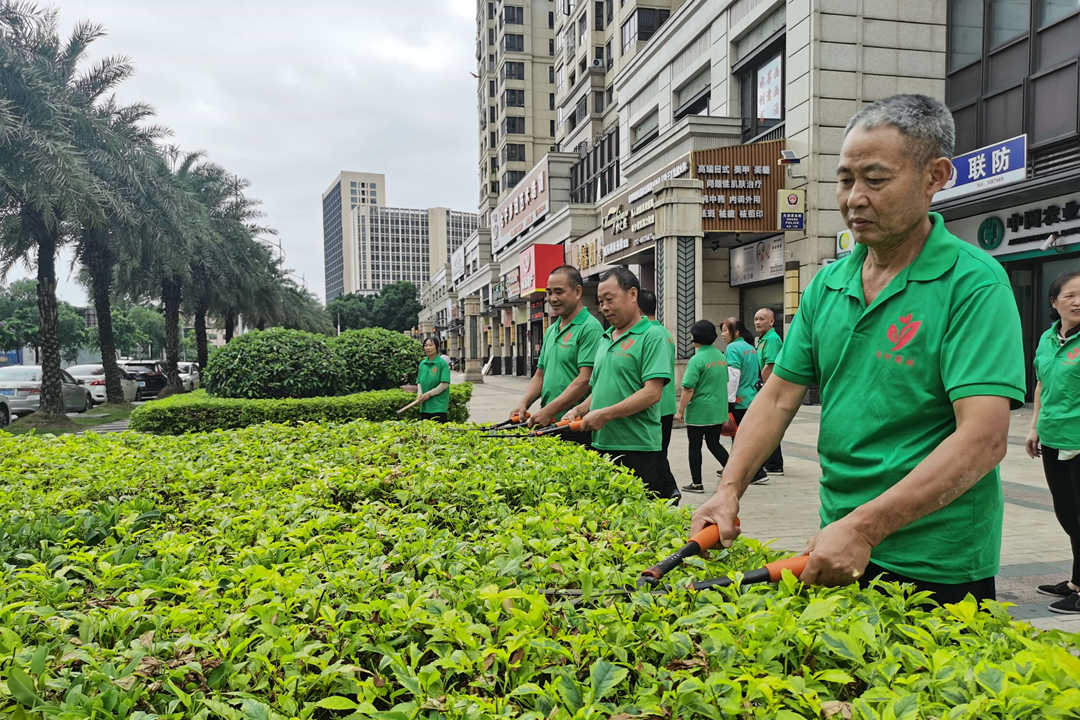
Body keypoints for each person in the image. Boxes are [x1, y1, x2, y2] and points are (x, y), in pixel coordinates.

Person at [691, 94, 1025, 605]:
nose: (854, 198)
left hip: (936, 559)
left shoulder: (974, 284)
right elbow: (779, 396)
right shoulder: (828, 285)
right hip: (836, 541)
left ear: (935, 176)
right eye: (846, 179)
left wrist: (866, 528)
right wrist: (730, 487)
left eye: (876, 179)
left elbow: (983, 439)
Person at [566, 267, 677, 500]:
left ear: (633, 294)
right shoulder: (606, 338)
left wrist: (605, 414)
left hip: (638, 449)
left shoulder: (653, 336)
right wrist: (580, 409)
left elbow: (652, 393)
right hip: (602, 444)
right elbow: (599, 389)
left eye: (610, 299)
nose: (604, 307)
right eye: (600, 301)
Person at [1026, 270, 1080, 615]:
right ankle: (1076, 580)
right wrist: (1033, 428)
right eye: (1071, 295)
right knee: (1068, 515)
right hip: (1053, 438)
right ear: (1054, 302)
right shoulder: (1048, 339)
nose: (1078, 302)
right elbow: (1042, 385)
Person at [512, 265, 603, 445]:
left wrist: (550, 410)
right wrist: (524, 404)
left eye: (559, 292)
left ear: (577, 292)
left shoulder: (590, 328)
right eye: (549, 293)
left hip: (574, 424)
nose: (552, 298)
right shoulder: (552, 330)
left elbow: (585, 379)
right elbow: (540, 375)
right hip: (549, 421)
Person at [675, 320, 730, 494]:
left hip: (700, 412)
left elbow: (688, 388)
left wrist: (680, 411)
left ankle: (697, 483)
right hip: (718, 410)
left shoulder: (697, 359)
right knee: (714, 444)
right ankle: (732, 472)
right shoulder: (721, 357)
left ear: (695, 337)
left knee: (695, 446)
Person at [637, 289, 679, 498]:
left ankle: (668, 489)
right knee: (659, 451)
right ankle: (669, 488)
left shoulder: (648, 334)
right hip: (667, 402)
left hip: (655, 404)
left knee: (655, 453)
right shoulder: (664, 332)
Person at [721, 318, 769, 485]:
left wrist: (729, 401)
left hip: (739, 400)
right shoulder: (750, 348)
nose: (722, 334)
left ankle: (755, 473)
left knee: (740, 438)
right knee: (746, 436)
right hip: (752, 398)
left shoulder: (732, 348)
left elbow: (733, 375)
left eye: (726, 330)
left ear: (737, 332)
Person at [754, 307, 785, 475]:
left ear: (772, 321)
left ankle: (774, 464)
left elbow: (770, 365)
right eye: (756, 319)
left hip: (768, 387)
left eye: (762, 319)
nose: (757, 322)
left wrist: (760, 386)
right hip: (765, 387)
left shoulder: (772, 339)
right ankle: (770, 461)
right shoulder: (764, 339)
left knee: (769, 426)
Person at [416, 337, 452, 422]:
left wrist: (429, 394)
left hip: (438, 407)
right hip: (424, 407)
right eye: (426, 345)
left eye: (430, 345)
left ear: (437, 347)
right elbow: (419, 382)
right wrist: (420, 394)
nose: (428, 348)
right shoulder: (422, 363)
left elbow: (444, 384)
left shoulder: (442, 363)